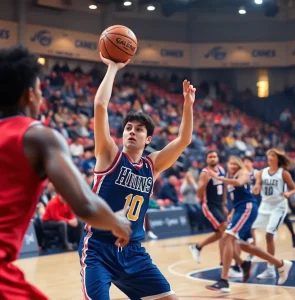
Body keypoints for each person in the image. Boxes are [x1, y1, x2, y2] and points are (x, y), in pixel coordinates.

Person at [0, 46, 132, 300]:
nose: (41, 97)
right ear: (29, 96)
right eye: (40, 91)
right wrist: (118, 223)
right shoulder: (39, 136)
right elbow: (85, 205)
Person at [78, 53, 195, 300]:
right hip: (98, 248)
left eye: (139, 130)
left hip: (133, 251)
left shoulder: (152, 164)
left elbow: (184, 139)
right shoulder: (109, 154)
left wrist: (187, 104)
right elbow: (100, 105)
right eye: (128, 128)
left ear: (148, 139)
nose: (132, 132)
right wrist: (112, 67)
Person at [206, 156, 292, 293]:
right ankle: (279, 263)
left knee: (227, 237)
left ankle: (224, 280)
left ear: (239, 165)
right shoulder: (230, 176)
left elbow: (239, 183)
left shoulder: (244, 173)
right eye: (231, 163)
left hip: (248, 207)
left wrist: (218, 178)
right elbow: (237, 198)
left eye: (235, 164)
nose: (233, 166)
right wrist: (232, 212)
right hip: (240, 208)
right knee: (239, 244)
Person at [251, 148, 295, 279]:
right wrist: (256, 188)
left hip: (278, 206)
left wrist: (288, 193)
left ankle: (270, 269)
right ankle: (252, 254)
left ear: (277, 158)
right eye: (268, 155)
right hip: (265, 205)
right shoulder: (262, 172)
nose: (269, 157)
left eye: (272, 155)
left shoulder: (284, 173)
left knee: (269, 235)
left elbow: (293, 188)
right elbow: (258, 185)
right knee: (250, 229)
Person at [189, 151, 227, 264]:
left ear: (218, 158)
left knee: (220, 233)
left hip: (219, 205)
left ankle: (198, 247)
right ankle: (224, 262)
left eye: (214, 156)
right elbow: (199, 194)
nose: (213, 158)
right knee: (224, 229)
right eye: (210, 157)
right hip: (209, 205)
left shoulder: (221, 170)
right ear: (207, 160)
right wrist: (205, 182)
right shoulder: (205, 173)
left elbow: (224, 187)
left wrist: (224, 204)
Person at [228, 155, 260, 278]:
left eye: (247, 161)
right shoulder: (234, 174)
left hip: (251, 205)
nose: (246, 163)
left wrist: (258, 185)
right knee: (240, 239)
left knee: (232, 237)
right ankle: (243, 262)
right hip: (242, 207)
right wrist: (232, 212)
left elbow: (254, 185)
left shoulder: (251, 173)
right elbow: (234, 198)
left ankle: (237, 266)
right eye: (244, 161)